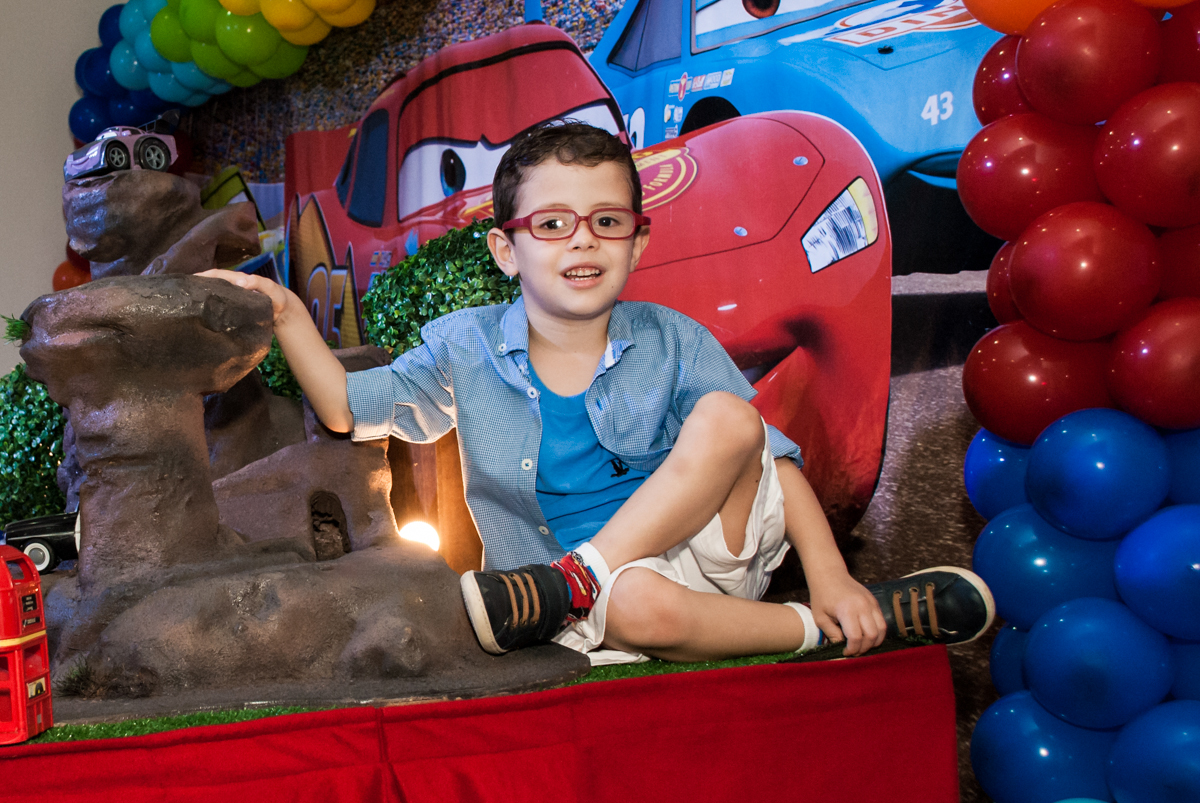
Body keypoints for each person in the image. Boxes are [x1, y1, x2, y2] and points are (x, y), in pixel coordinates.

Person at [202, 121, 993, 666]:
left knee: (729, 417)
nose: (582, 238)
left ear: (637, 242)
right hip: (591, 605)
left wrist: (830, 573)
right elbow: (344, 407)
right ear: (505, 250)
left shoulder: (672, 337)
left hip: (696, 554)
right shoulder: (463, 345)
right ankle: (825, 633)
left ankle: (587, 575)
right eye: (551, 224)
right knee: (637, 601)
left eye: (607, 220)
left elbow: (774, 461)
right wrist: (289, 314)